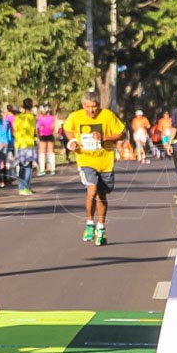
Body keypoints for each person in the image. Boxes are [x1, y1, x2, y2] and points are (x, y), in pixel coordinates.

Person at [63, 91, 126, 246]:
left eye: (94, 107)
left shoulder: (107, 116)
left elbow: (121, 133)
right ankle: (90, 223)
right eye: (88, 107)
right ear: (83, 105)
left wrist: (104, 138)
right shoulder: (75, 116)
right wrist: (73, 141)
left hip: (105, 161)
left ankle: (101, 227)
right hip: (85, 159)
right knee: (92, 189)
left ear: (99, 105)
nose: (91, 110)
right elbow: (67, 129)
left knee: (102, 196)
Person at [13, 98, 38, 196]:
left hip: (19, 145)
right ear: (31, 106)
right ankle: (26, 187)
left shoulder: (18, 118)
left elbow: (14, 131)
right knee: (28, 167)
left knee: (21, 166)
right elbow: (37, 131)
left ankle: (21, 187)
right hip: (29, 144)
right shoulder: (33, 118)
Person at [36, 104, 57, 176]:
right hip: (50, 135)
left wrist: (38, 136)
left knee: (42, 152)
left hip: (42, 136)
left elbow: (37, 129)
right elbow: (53, 127)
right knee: (50, 152)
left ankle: (42, 170)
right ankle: (52, 169)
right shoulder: (51, 118)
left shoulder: (38, 118)